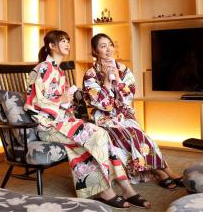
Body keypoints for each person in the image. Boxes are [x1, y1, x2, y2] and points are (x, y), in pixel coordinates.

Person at [24, 30, 151, 209]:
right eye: (62, 41)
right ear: (51, 46)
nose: (67, 44)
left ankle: (126, 188)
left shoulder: (59, 71)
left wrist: (68, 102)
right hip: (48, 126)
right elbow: (32, 102)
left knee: (101, 136)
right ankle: (106, 191)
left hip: (63, 123)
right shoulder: (43, 68)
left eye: (68, 40)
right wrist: (60, 101)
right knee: (98, 134)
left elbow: (62, 103)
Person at [83, 33, 183, 190]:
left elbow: (130, 95)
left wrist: (119, 81)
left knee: (140, 134)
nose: (108, 49)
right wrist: (107, 83)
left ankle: (163, 170)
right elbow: (101, 104)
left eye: (110, 45)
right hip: (103, 118)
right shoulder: (90, 74)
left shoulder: (123, 69)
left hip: (123, 114)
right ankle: (162, 171)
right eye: (103, 46)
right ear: (95, 52)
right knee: (131, 133)